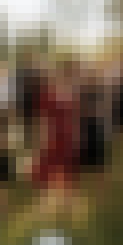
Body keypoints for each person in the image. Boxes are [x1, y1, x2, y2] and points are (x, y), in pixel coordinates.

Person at [32, 60, 80, 206]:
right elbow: (43, 116)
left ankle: (64, 195)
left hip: (66, 132)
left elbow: (75, 114)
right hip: (54, 132)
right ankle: (49, 196)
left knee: (65, 162)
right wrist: (43, 133)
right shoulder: (49, 92)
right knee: (51, 161)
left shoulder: (72, 91)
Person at [77, 64, 112, 194]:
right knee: (87, 154)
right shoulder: (84, 89)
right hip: (87, 125)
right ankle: (90, 181)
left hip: (95, 125)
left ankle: (98, 182)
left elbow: (103, 106)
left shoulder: (98, 89)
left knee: (97, 156)